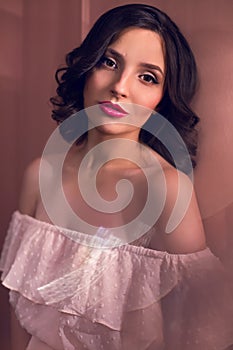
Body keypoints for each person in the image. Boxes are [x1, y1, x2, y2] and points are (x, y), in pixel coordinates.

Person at [1, 3, 233, 350]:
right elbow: (16, 314)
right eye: (109, 62)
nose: (120, 87)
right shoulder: (38, 175)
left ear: (161, 99)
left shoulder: (165, 189)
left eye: (147, 76)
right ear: (87, 68)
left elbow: (197, 333)